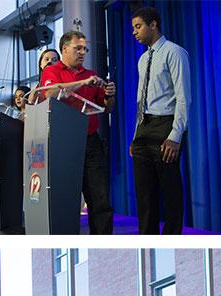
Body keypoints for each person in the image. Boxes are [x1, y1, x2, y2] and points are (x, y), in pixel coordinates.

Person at [41, 30, 115, 235]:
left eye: (85, 49)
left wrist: (109, 95)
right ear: (64, 49)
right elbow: (51, 93)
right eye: (78, 48)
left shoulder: (91, 75)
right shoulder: (52, 71)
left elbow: (107, 108)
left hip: (90, 142)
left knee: (99, 200)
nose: (82, 52)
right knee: (65, 200)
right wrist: (82, 83)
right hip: (62, 143)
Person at [129, 6, 191, 235]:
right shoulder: (142, 59)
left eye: (138, 26)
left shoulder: (175, 53)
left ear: (153, 24)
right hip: (144, 128)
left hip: (166, 126)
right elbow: (140, 100)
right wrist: (136, 137)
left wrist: (175, 136)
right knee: (144, 194)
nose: (134, 32)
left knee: (171, 192)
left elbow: (184, 98)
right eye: (133, 28)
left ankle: (172, 239)